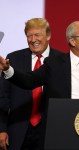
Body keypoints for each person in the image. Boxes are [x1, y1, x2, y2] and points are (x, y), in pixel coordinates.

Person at [0, 18, 61, 150]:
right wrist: (2, 129)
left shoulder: (62, 61)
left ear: (48, 35)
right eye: (29, 36)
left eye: (37, 35)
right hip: (18, 129)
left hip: (51, 130)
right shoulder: (13, 59)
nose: (33, 40)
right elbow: (3, 97)